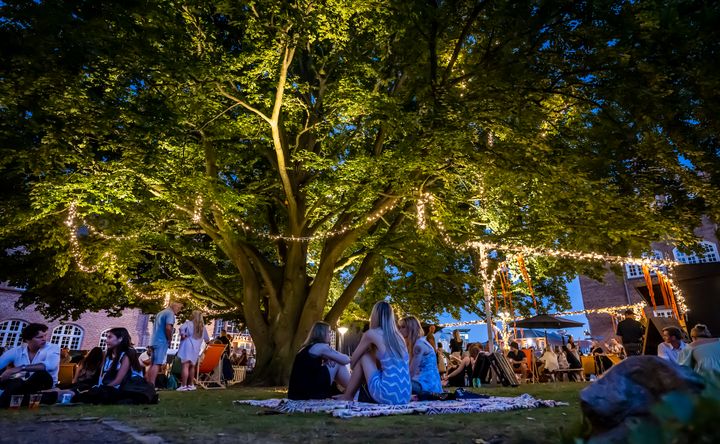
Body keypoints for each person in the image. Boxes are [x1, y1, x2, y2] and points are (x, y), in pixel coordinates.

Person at [338, 301, 411, 404]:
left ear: (374, 315)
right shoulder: (399, 337)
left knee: (364, 356)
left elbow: (353, 363)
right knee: (375, 359)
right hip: (405, 396)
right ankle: (350, 395)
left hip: (386, 394)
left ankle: (348, 395)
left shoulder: (371, 334)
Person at [75, 327, 145, 404]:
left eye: (110, 337)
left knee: (89, 394)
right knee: (78, 388)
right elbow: (102, 377)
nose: (106, 340)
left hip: (127, 388)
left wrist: (100, 389)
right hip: (110, 387)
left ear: (120, 339)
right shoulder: (107, 355)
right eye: (106, 337)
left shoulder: (128, 354)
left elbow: (118, 380)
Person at [0, 323, 60, 407]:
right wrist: (5, 375)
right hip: (22, 387)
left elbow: (50, 365)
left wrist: (21, 368)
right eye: (39, 337)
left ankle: (8, 399)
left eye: (45, 336)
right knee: (16, 381)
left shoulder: (52, 348)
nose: (44, 339)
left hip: (44, 384)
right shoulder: (17, 351)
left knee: (41, 374)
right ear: (28, 340)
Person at [288, 321, 351, 400]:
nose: (331, 334)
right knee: (337, 362)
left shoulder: (306, 348)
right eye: (329, 332)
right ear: (322, 333)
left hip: (297, 392)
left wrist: (328, 359)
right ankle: (354, 391)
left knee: (334, 361)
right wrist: (332, 358)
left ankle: (351, 391)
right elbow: (346, 360)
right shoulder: (322, 347)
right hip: (310, 391)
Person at [399, 316, 442, 395]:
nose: (400, 330)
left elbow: (411, 372)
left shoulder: (419, 346)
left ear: (411, 328)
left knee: (394, 384)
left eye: (403, 327)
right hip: (428, 385)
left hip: (426, 387)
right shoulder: (418, 342)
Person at [146, 300, 182, 385]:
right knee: (157, 364)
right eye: (179, 307)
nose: (179, 310)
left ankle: (146, 384)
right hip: (161, 341)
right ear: (174, 306)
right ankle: (151, 385)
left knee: (151, 364)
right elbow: (168, 328)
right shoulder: (170, 314)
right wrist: (170, 339)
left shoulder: (160, 313)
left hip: (153, 340)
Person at [176, 310, 210, 391]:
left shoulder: (188, 323)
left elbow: (181, 328)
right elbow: (207, 340)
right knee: (192, 366)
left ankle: (183, 385)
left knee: (185, 365)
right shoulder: (203, 327)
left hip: (187, 345)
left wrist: (183, 335)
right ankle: (191, 385)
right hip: (196, 347)